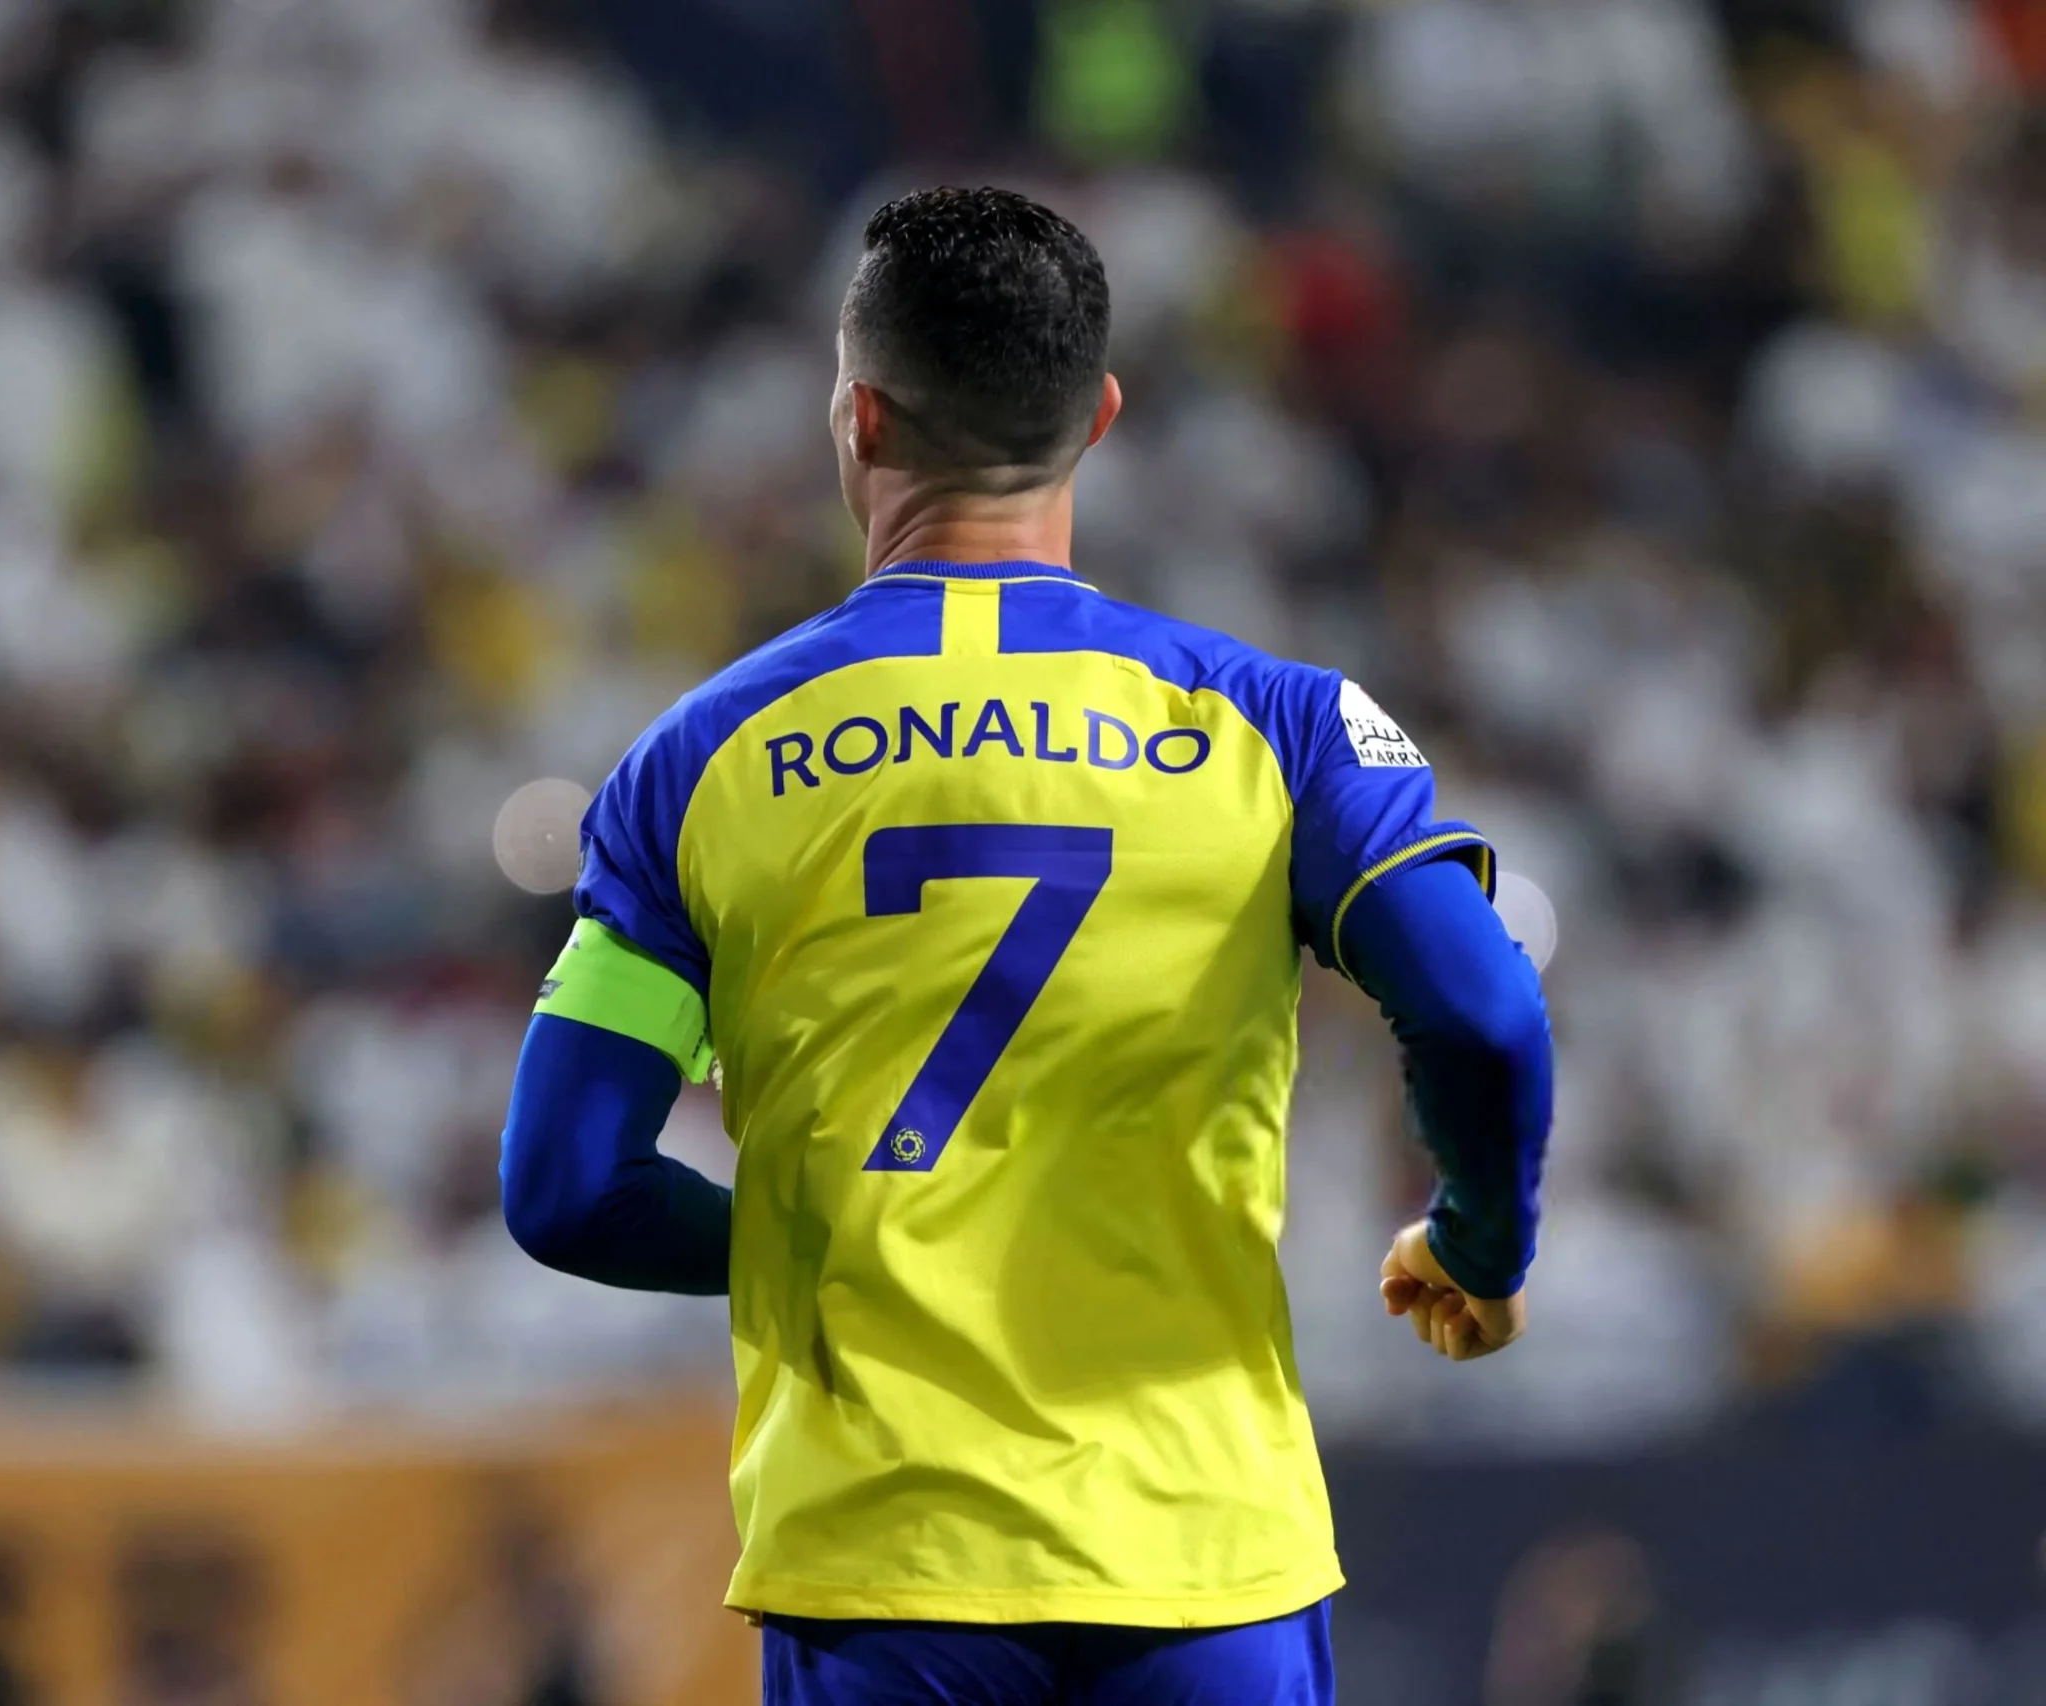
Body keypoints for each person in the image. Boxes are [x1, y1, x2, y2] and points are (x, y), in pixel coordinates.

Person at [498, 186, 1553, 1706]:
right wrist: (1477, 1242)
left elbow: (565, 1185)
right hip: (1206, 1561)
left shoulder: (696, 764)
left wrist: (836, 1248)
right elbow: (1483, 1012)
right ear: (1100, 416)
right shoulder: (1281, 726)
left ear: (860, 418)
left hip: (882, 1568)